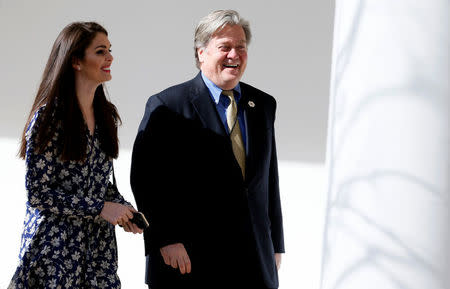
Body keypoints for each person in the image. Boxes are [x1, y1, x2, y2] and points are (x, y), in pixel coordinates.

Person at [130, 9, 284, 289]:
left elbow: (267, 180)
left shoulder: (262, 105)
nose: (234, 55)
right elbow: (145, 179)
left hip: (253, 262)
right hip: (189, 262)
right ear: (201, 53)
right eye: (224, 47)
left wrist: (275, 244)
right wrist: (165, 239)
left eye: (241, 47)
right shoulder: (168, 106)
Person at [8, 22, 142, 289]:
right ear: (76, 62)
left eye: (109, 50)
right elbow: (39, 193)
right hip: (55, 251)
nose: (110, 57)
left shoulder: (107, 116)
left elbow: (98, 184)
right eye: (100, 51)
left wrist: (124, 209)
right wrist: (101, 208)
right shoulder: (49, 118)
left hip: (97, 252)